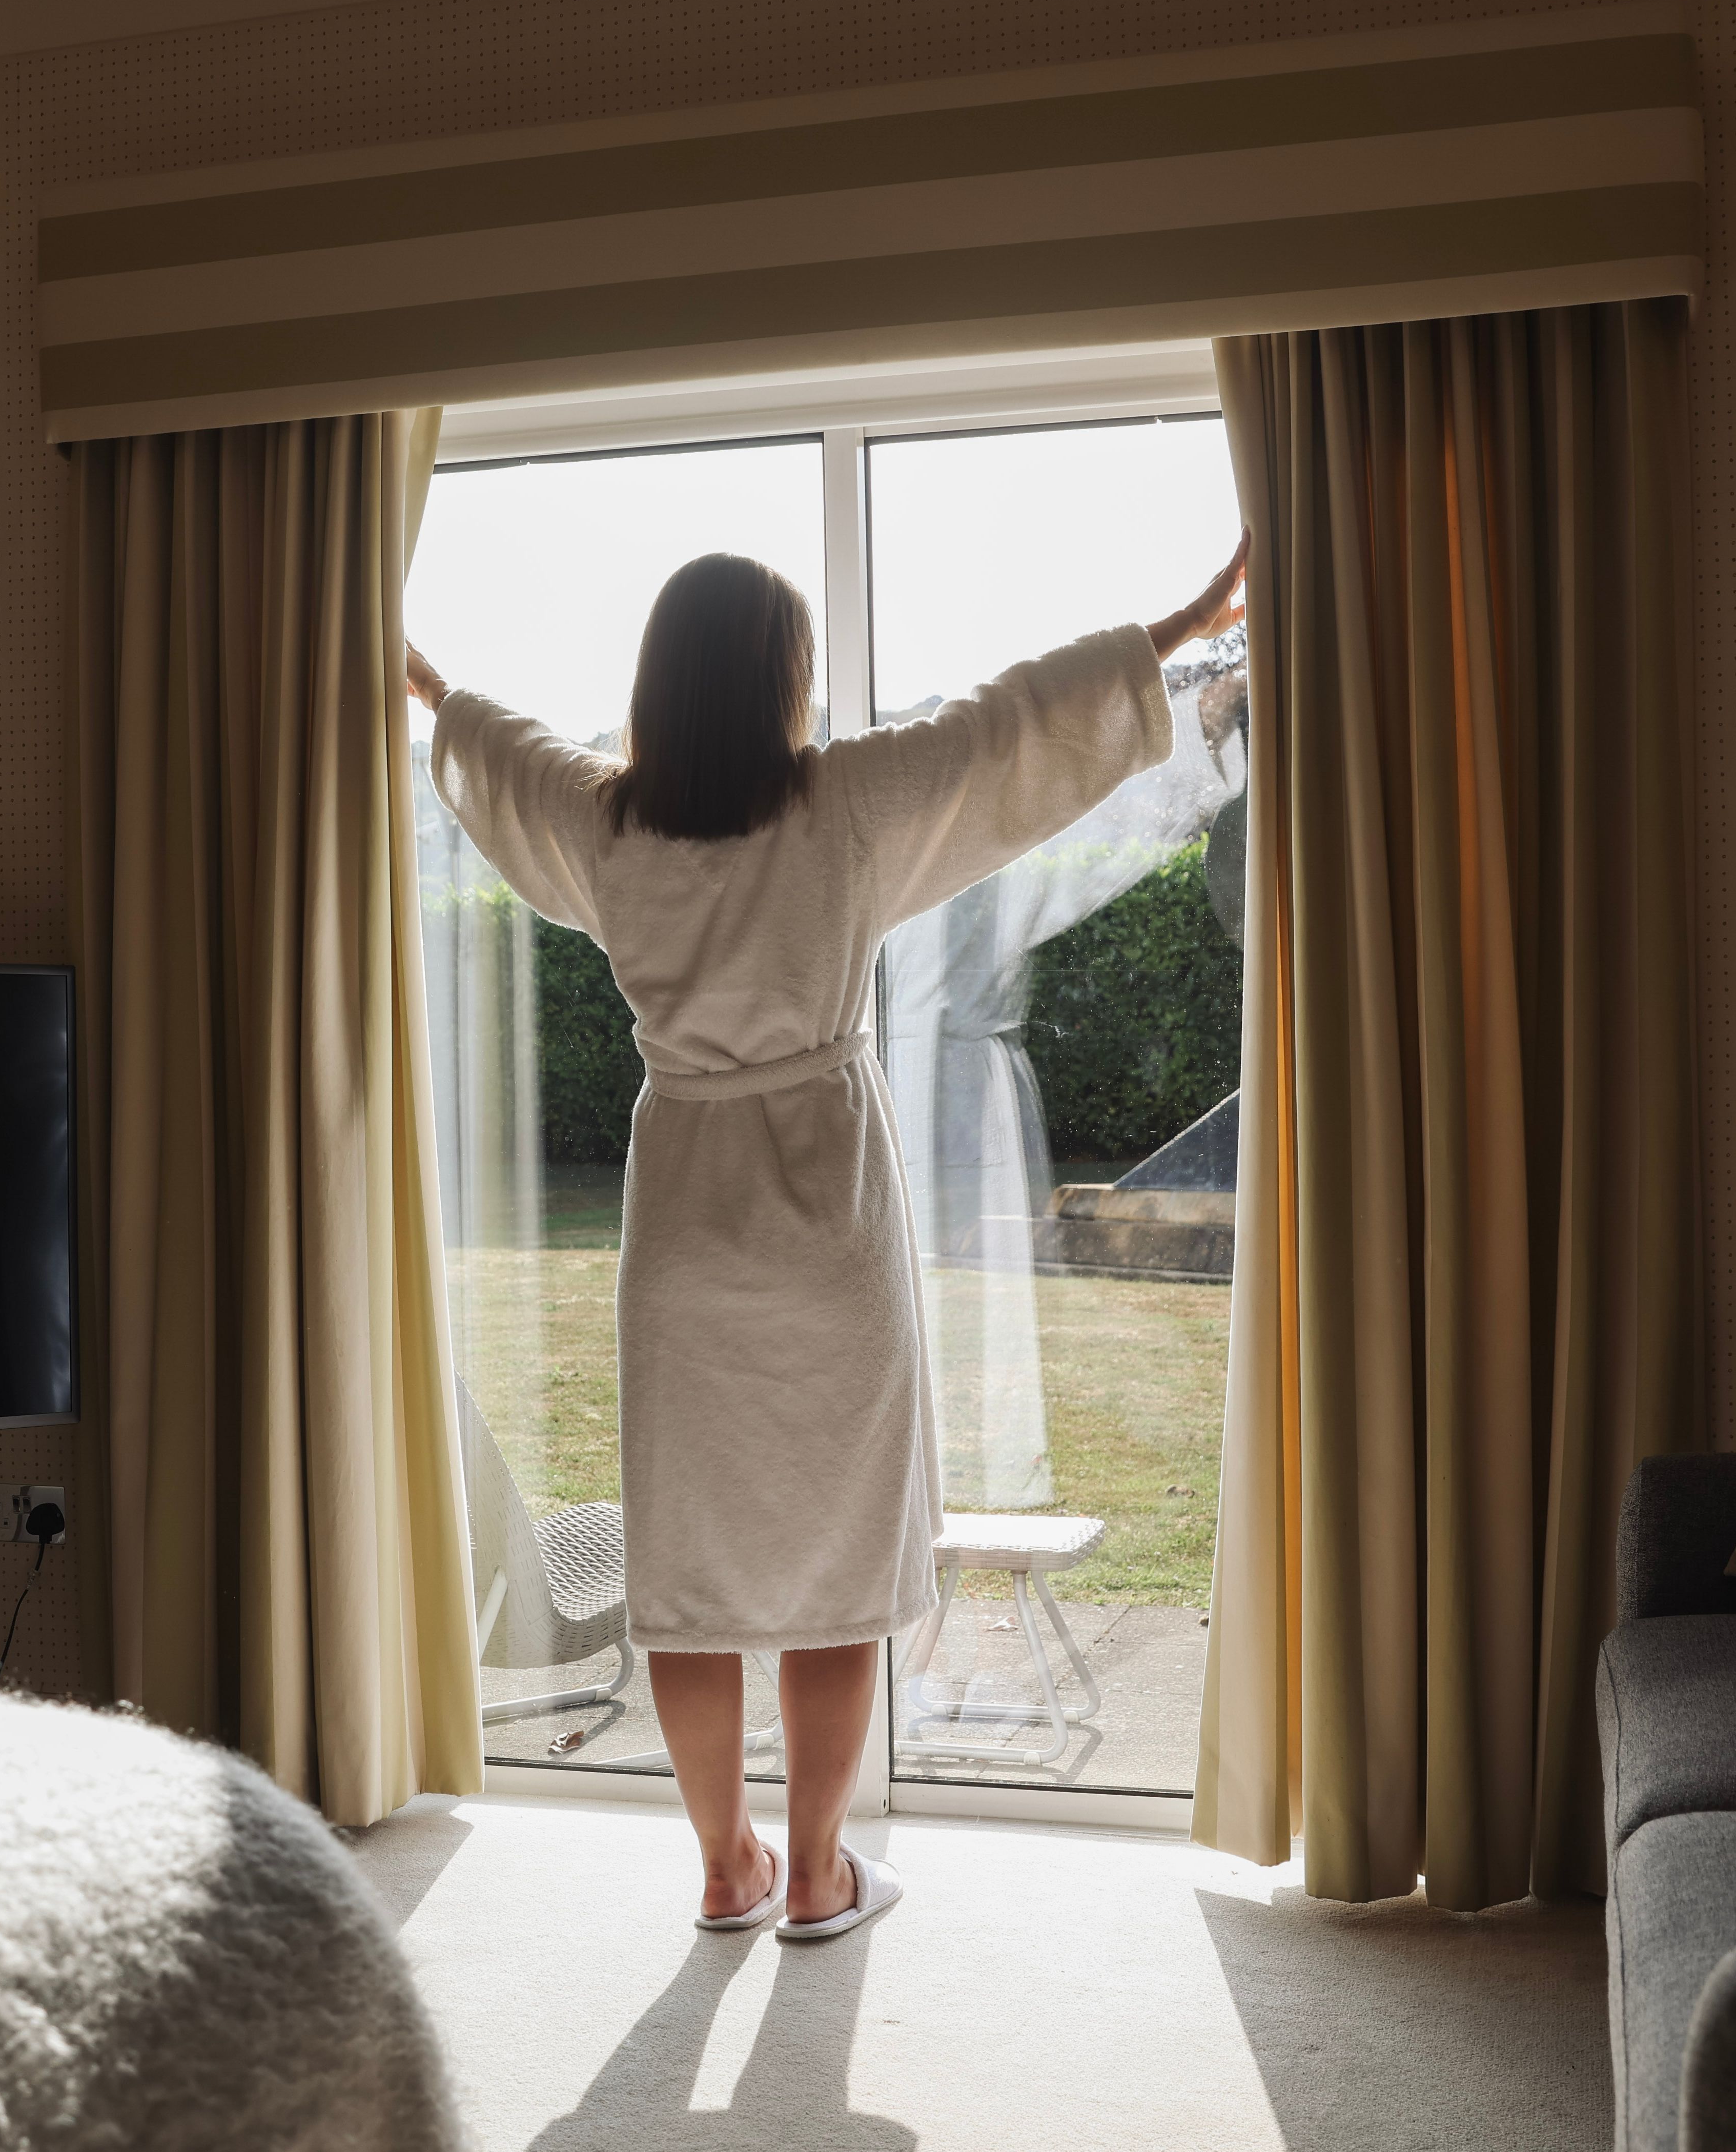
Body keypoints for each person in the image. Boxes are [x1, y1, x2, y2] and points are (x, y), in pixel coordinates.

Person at [409, 534, 1248, 1940]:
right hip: (825, 1227)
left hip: (683, 1224)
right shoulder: (844, 806)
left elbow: (494, 746)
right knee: (834, 1566)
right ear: (783, 680)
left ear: (662, 686)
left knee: (689, 1575)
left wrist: (414, 670)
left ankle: (722, 1865)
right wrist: (1180, 625)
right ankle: (812, 1873)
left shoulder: (610, 826)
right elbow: (1010, 726)